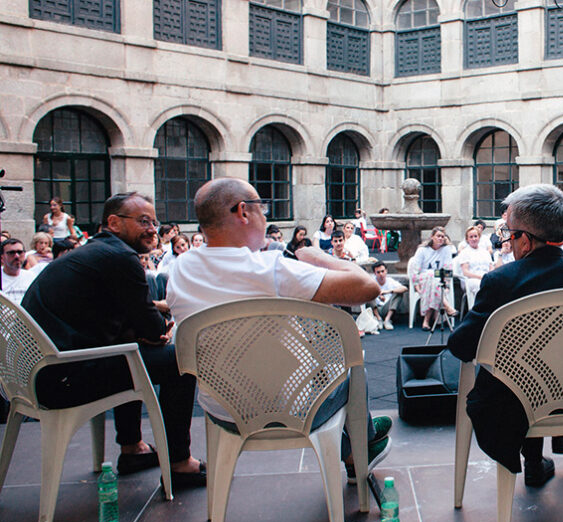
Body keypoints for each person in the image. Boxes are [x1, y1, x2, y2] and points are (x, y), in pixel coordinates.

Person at [165, 178, 392, 480]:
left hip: (223, 411)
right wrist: (319, 257)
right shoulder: (271, 270)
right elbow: (367, 288)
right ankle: (358, 450)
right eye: (262, 207)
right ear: (243, 212)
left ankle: (360, 435)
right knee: (350, 370)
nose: (266, 215)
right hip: (294, 409)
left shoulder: (179, 269)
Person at [21, 192, 204, 485]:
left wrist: (148, 323)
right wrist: (157, 326)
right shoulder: (121, 257)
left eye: (154, 222)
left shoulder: (94, 253)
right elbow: (154, 329)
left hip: (40, 375)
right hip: (63, 380)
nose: (152, 229)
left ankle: (133, 449)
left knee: (129, 352)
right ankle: (180, 463)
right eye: (144, 221)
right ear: (114, 222)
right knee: (181, 361)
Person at [447, 184, 563, 487]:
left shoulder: (501, 282)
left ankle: (534, 460)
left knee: (512, 368)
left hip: (512, 409)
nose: (507, 242)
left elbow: (461, 346)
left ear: (524, 241)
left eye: (509, 235)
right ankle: (548, 451)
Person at [409, 226, 457, 330]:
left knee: (434, 279)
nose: (440, 238)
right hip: (424, 278)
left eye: (442, 237)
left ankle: (426, 321)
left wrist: (447, 284)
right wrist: (416, 285)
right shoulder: (422, 250)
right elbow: (415, 269)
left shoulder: (446, 250)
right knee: (431, 275)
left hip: (439, 280)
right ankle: (446, 306)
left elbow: (448, 268)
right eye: (438, 236)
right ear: (432, 237)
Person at [456, 226, 494, 299]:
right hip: (471, 280)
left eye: (475, 236)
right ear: (467, 239)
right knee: (480, 284)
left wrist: (488, 277)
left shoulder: (485, 252)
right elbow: (465, 272)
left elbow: (491, 267)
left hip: (486, 278)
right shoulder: (464, 252)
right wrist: (480, 277)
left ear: (479, 237)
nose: (474, 239)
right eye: (471, 237)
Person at [369, 263, 407, 330]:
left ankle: (387, 320)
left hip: (387, 307)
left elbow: (404, 288)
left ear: (386, 271)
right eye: (378, 272)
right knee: (367, 293)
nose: (381, 274)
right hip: (376, 308)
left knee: (398, 292)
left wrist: (389, 291)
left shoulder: (390, 281)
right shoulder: (372, 282)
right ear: (375, 273)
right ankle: (378, 319)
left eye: (382, 271)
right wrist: (377, 294)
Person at [0, 238, 38, 305]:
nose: (17, 256)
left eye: (20, 252)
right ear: (2, 258)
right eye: (11, 253)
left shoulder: (32, 277)